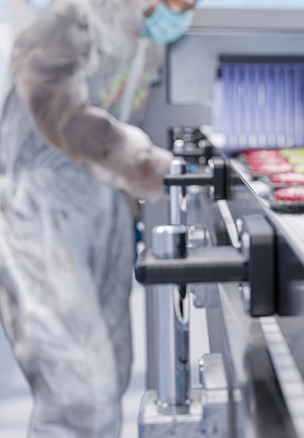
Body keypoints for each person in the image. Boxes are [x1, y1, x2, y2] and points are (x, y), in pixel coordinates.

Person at [0, 0, 197, 435]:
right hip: (41, 215)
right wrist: (147, 165)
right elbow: (61, 115)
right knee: (78, 388)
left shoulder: (143, 40)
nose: (183, 10)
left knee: (111, 363)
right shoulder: (71, 18)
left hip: (104, 208)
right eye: (179, 1)